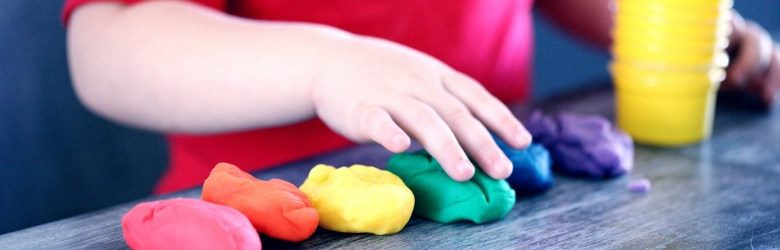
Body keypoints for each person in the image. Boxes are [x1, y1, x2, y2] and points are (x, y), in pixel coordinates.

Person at [63, 0, 780, 194]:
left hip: (495, 203)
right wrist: (325, 66)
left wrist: (683, 35)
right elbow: (107, 47)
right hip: (264, 218)